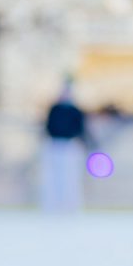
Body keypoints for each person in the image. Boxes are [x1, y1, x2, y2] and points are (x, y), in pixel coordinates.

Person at [40, 79, 94, 213]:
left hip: (70, 146)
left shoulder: (76, 111)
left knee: (70, 179)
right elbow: (48, 127)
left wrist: (90, 146)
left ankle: (70, 207)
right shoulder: (54, 109)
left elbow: (82, 130)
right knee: (52, 179)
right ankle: (52, 207)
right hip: (54, 145)